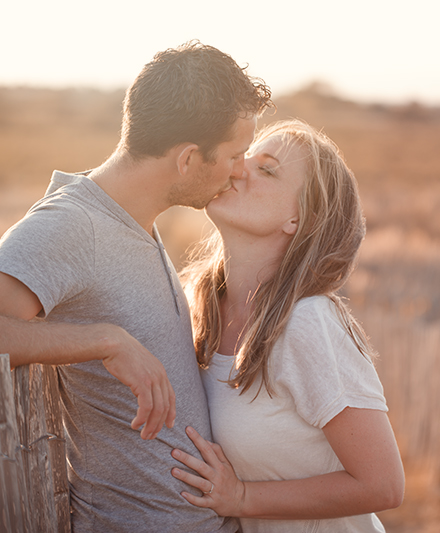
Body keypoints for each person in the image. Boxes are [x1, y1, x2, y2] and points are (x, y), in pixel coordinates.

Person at [0, 41, 272, 532]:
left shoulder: (134, 220)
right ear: (188, 159)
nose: (240, 170)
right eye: (235, 155)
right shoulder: (73, 225)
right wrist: (103, 341)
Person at [173, 119, 405, 532]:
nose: (238, 168)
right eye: (245, 157)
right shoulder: (196, 307)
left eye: (267, 169)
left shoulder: (306, 322)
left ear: (297, 219)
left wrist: (242, 497)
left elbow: (384, 484)